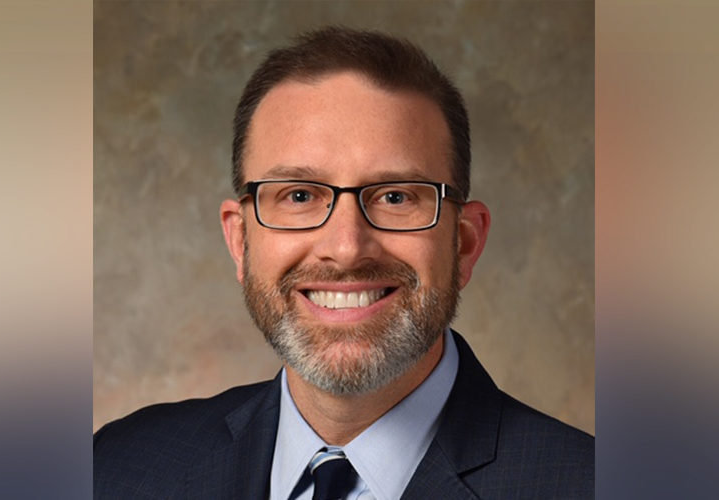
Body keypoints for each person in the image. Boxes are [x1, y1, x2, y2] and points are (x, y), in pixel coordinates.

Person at [94, 26, 593, 499]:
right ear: (240, 240)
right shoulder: (117, 469)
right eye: (299, 195)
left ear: (464, 243)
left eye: (396, 197)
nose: (347, 247)